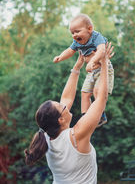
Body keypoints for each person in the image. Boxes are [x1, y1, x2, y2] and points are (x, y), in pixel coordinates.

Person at [24, 43, 114, 184]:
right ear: (60, 119)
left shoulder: (47, 137)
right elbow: (101, 99)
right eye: (61, 107)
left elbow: (66, 99)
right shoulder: (76, 135)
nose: (65, 105)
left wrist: (77, 68)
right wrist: (103, 63)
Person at [53, 14, 114, 126]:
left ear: (89, 29)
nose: (75, 35)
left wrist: (92, 61)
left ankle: (101, 113)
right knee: (84, 93)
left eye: (77, 31)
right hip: (91, 71)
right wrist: (60, 56)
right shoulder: (77, 42)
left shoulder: (96, 37)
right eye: (72, 33)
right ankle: (85, 116)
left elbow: (101, 50)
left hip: (103, 69)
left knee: (96, 91)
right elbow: (70, 51)